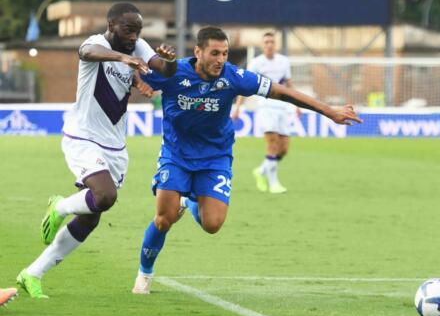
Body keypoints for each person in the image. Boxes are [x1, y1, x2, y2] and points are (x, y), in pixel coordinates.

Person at [131, 26, 362, 294]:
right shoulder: (173, 72)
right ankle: (144, 274)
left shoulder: (234, 77)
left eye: (225, 54)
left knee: (213, 225)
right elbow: (132, 74)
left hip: (215, 157)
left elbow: (281, 91)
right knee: (163, 219)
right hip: (176, 153)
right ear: (198, 52)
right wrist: (138, 82)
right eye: (214, 53)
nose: (221, 60)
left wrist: (328, 110)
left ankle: (191, 198)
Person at [17, 2, 175, 299]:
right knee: (105, 196)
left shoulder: (137, 46)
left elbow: (164, 70)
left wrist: (169, 61)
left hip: (115, 144)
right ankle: (60, 206)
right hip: (83, 136)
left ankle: (32, 273)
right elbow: (86, 53)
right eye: (129, 29)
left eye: (138, 31)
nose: (134, 36)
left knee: (92, 215)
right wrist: (123, 59)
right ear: (111, 25)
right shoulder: (97, 44)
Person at [232, 32, 298, 193]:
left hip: (283, 108)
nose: (269, 44)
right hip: (266, 108)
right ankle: (273, 183)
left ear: (275, 45)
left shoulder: (284, 62)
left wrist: (297, 105)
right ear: (263, 45)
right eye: (266, 42)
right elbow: (244, 86)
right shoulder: (256, 63)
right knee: (273, 144)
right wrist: (238, 107)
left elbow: (289, 83)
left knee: (283, 149)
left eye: (272, 42)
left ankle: (261, 171)